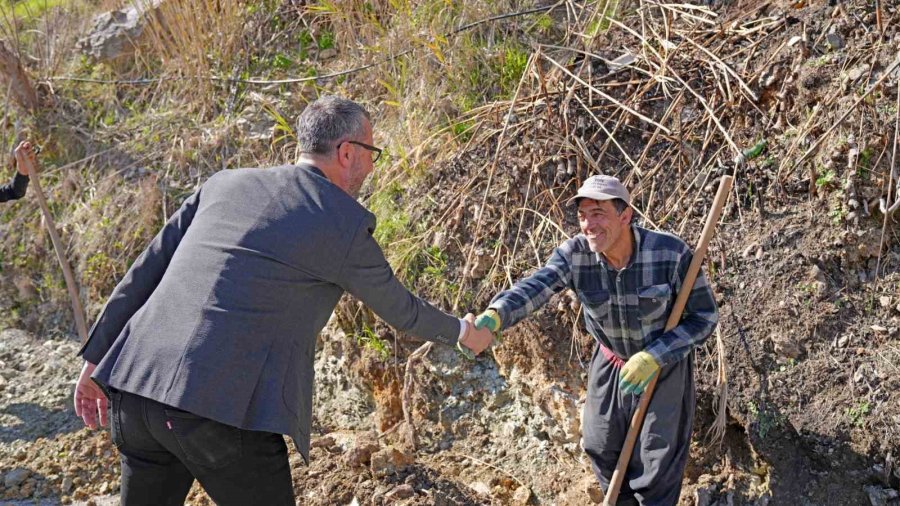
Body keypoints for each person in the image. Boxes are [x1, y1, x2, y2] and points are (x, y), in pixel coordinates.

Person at [72, 96, 494, 506]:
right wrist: (462, 332)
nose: (371, 165)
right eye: (371, 152)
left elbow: (143, 272)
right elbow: (401, 310)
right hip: (218, 409)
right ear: (347, 152)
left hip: (133, 391)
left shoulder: (224, 183)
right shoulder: (341, 221)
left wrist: (94, 364)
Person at [472, 174, 718, 505]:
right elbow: (539, 285)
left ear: (626, 215)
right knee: (599, 445)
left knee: (657, 463)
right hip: (611, 361)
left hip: (662, 364)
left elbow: (704, 318)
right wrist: (498, 314)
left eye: (599, 213)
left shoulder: (670, 254)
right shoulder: (576, 255)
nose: (589, 224)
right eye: (583, 215)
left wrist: (655, 355)